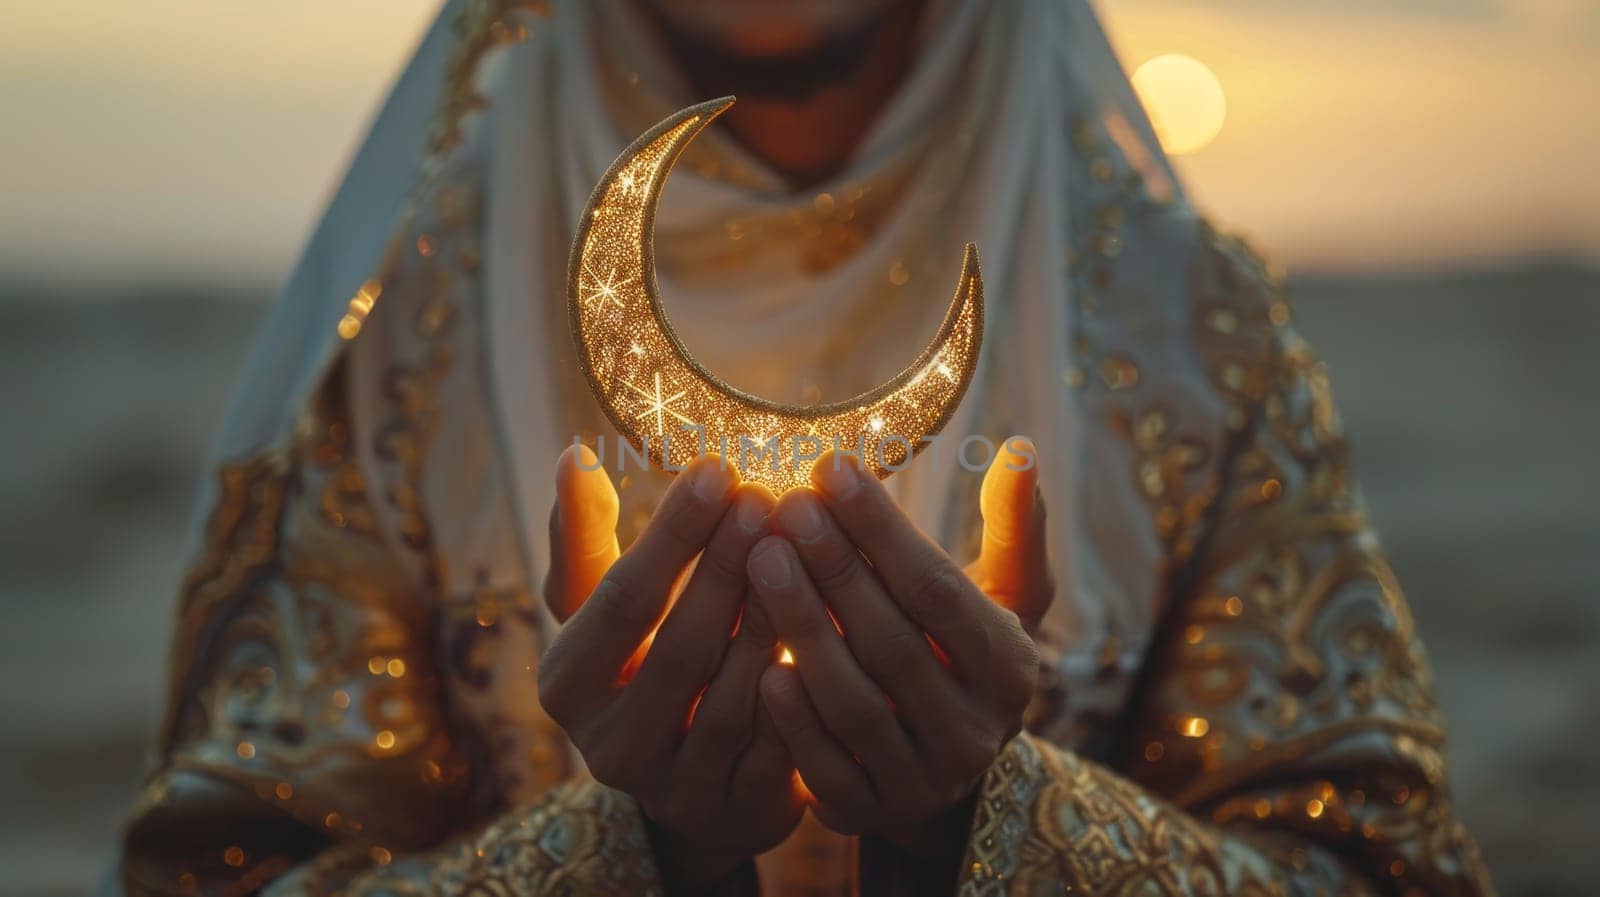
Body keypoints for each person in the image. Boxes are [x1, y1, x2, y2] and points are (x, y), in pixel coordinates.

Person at [112, 1, 1497, 895]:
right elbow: (223, 864)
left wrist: (988, 825)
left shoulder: (1185, 324)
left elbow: (1382, 861)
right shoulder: (408, 331)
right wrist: (630, 853)